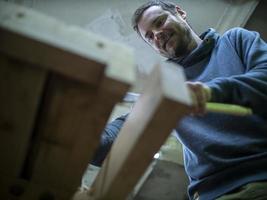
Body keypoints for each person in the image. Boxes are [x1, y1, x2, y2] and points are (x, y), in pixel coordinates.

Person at [91, 0, 267, 199]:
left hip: (260, 177)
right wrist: (87, 137)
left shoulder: (235, 40)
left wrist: (209, 92)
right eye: (149, 37)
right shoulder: (167, 85)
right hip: (212, 193)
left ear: (180, 13)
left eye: (159, 22)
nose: (157, 35)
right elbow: (122, 133)